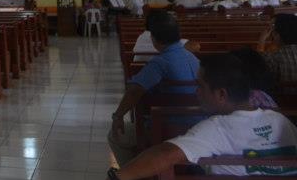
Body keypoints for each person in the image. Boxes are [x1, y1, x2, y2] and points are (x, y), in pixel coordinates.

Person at [113, 54, 297, 179]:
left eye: (200, 85)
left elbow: (165, 154)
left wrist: (115, 177)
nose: (196, 91)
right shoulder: (279, 120)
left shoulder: (216, 127)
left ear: (221, 94)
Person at [109, 11, 200, 166]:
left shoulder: (160, 63)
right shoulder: (193, 58)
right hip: (198, 126)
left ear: (153, 39)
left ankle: (134, 173)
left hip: (167, 127)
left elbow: (134, 91)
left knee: (115, 136)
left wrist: (118, 116)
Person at [259, 13, 297, 86]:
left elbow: (258, 66)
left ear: (277, 35)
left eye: (272, 30)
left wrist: (261, 41)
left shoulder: (273, 58)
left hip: (283, 97)